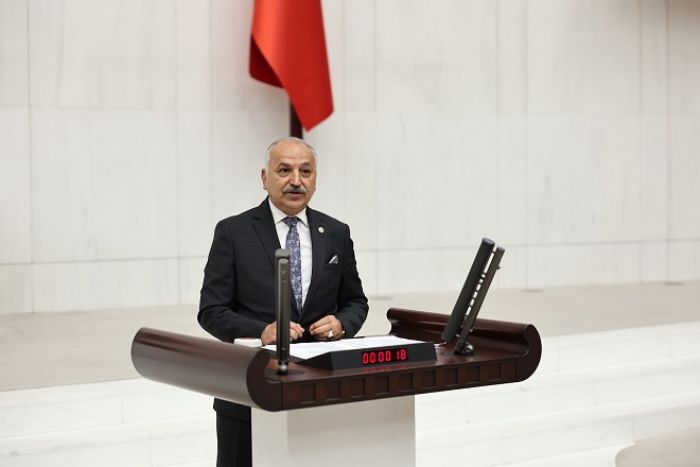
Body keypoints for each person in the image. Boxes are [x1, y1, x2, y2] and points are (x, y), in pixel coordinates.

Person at [198, 137, 369, 467]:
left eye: (305, 171)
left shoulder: (337, 232)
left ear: (315, 178)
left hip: (320, 389)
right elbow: (211, 311)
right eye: (284, 170)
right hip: (248, 391)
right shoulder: (233, 232)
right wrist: (261, 332)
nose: (296, 180)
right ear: (265, 178)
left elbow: (355, 302)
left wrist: (342, 324)